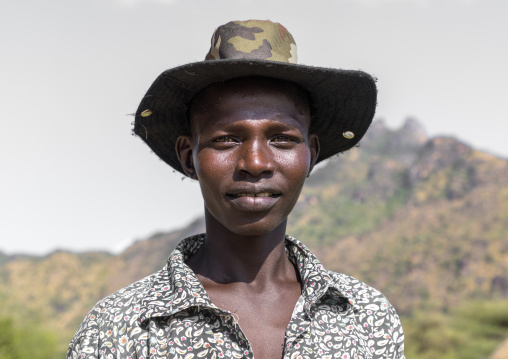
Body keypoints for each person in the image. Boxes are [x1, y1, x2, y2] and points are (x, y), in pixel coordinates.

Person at [67, 20, 405, 359]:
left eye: (282, 139)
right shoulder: (120, 328)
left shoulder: (366, 318)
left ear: (310, 155)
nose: (255, 162)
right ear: (189, 157)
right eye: (226, 139)